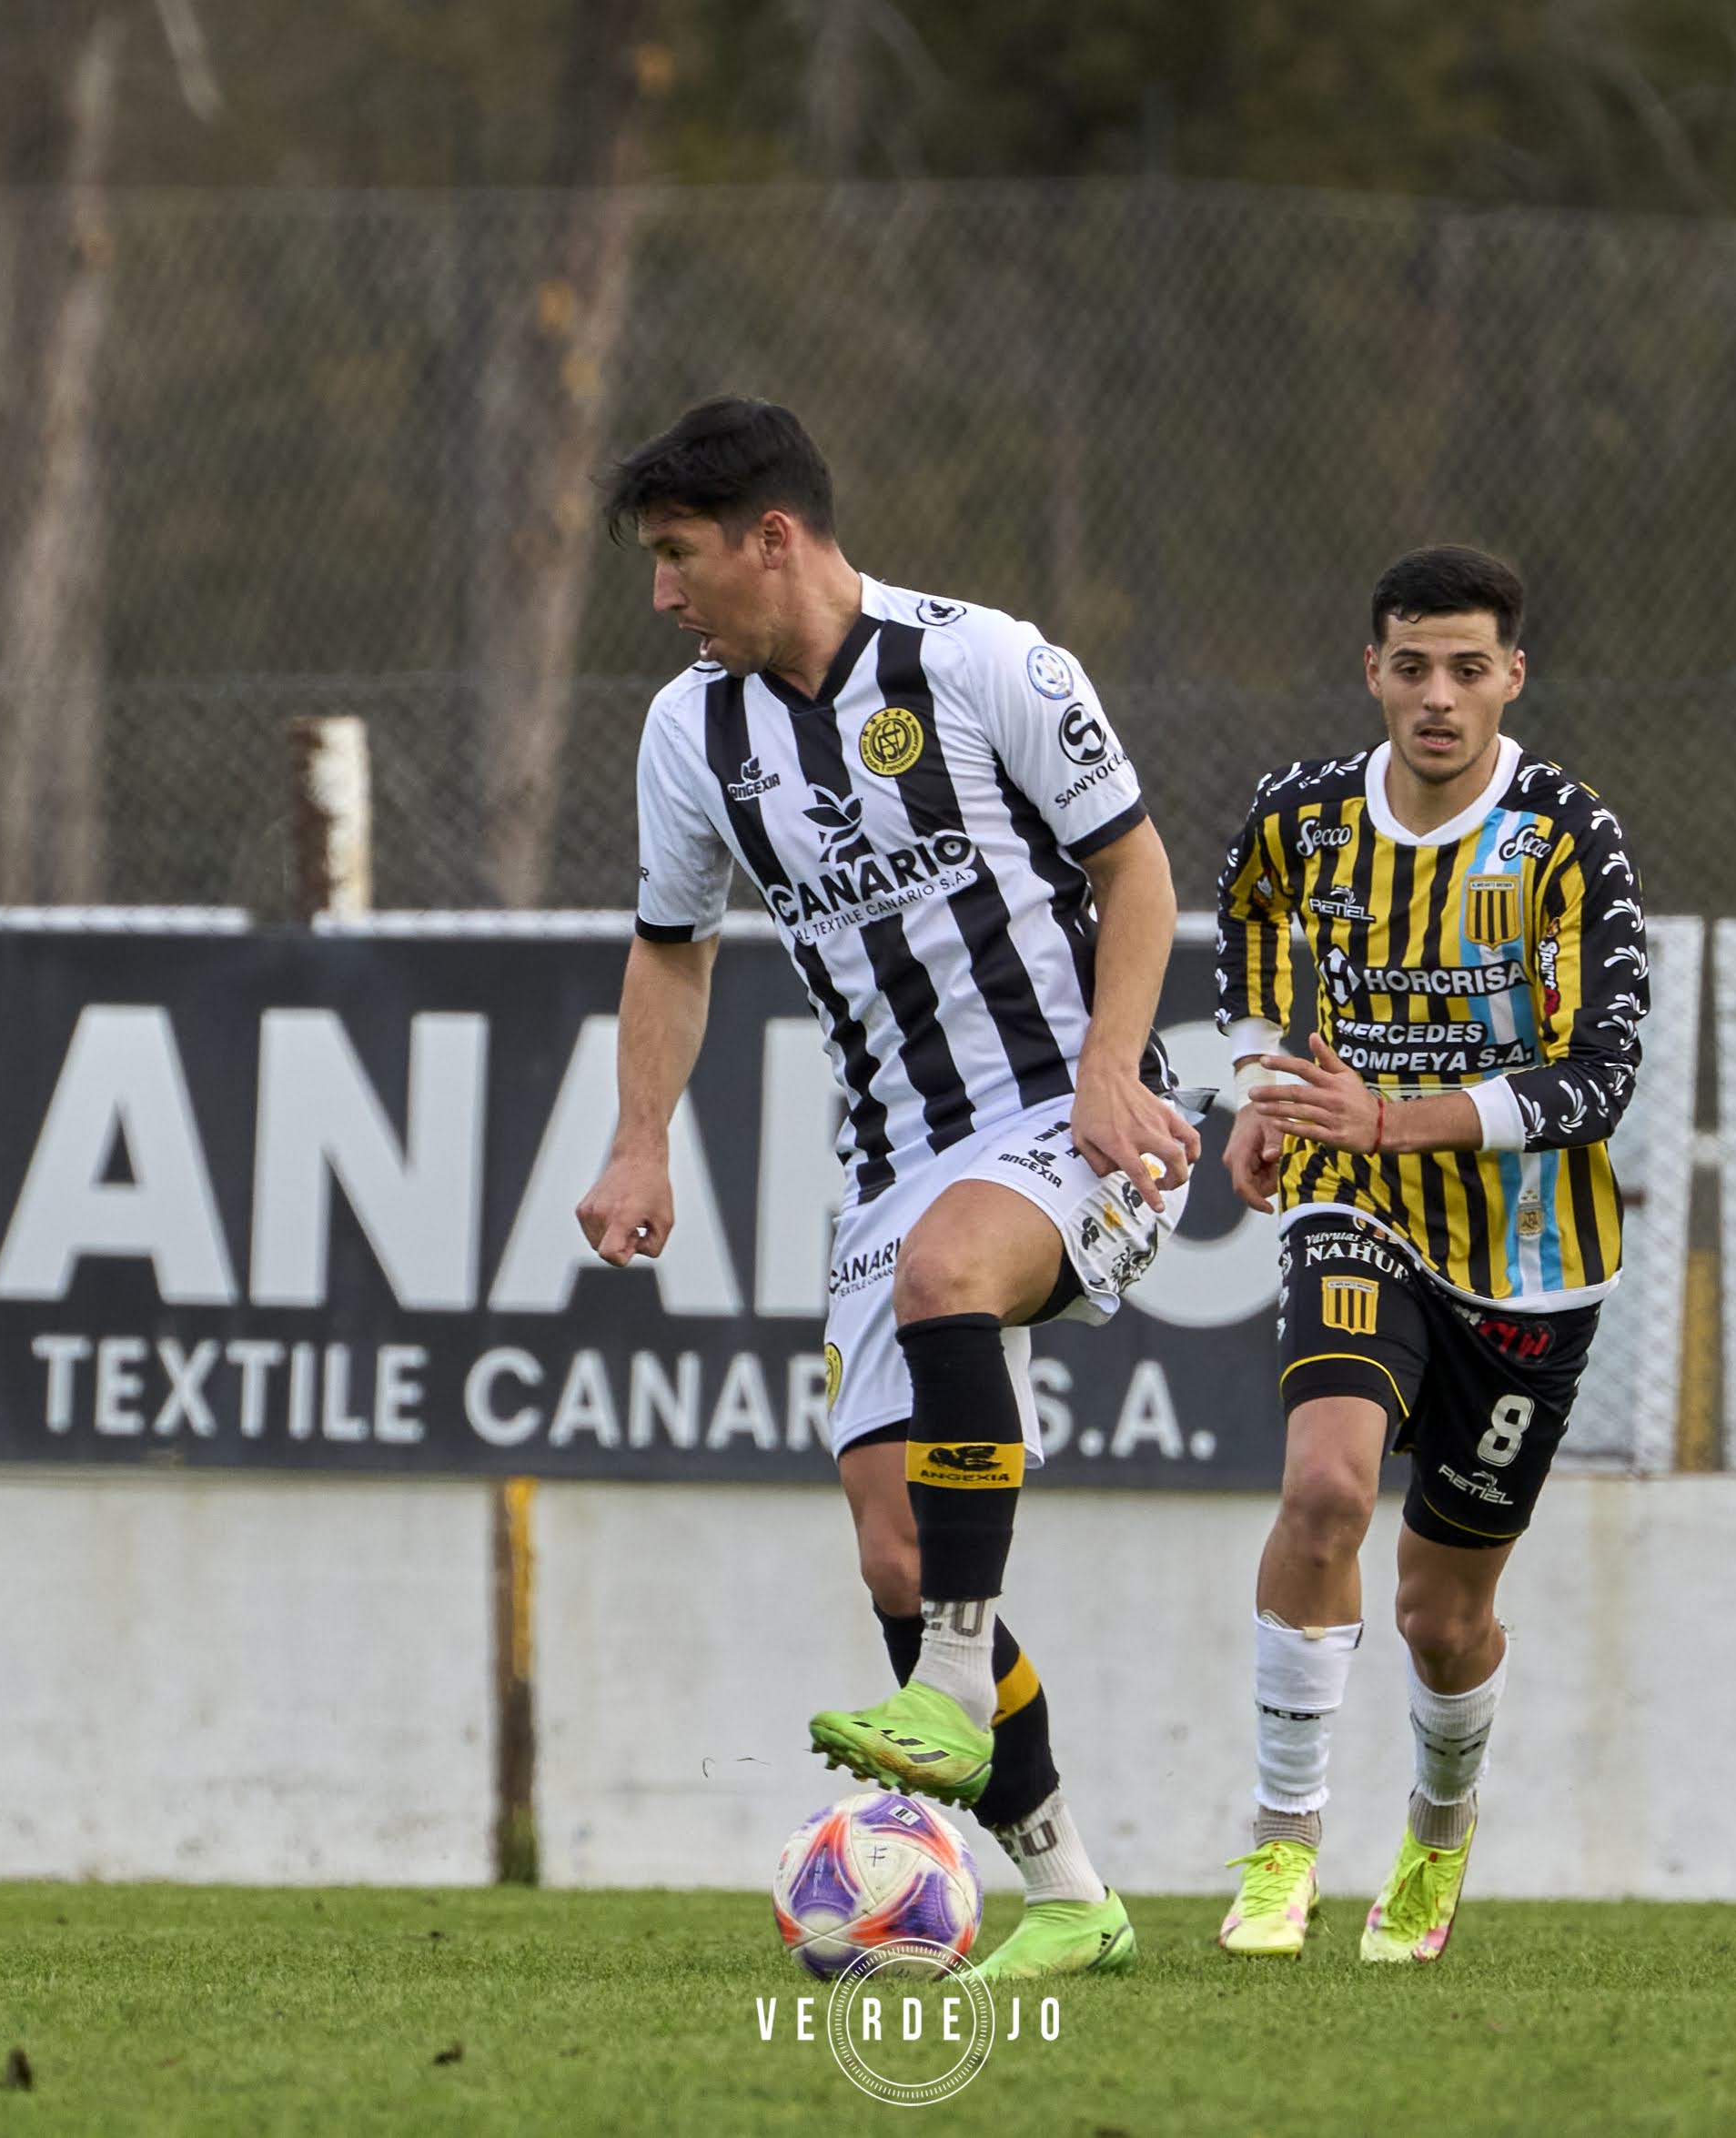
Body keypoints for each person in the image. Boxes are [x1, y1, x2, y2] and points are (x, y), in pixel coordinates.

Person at [573, 397, 1199, 1978]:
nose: (661, 596)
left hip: (1076, 1115)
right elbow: (672, 946)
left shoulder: (988, 662)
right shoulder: (688, 734)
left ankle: (950, 1683)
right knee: (897, 1557)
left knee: (946, 1277)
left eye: (677, 558)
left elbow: (1138, 869)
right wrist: (641, 1137)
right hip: (892, 1153)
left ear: (771, 538)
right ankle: (1073, 1897)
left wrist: (1116, 1065)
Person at [1207, 545, 1649, 1963]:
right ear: (1371, 672)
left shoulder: (1569, 837)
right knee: (1325, 1486)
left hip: (1528, 1265)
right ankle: (1279, 1847)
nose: (1437, 697)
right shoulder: (1297, 818)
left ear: (1512, 675)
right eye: (1411, 666)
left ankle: (1438, 1827)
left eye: (1468, 668)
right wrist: (1270, 1097)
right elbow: (1255, 958)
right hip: (1359, 1205)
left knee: (1441, 1615)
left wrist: (1395, 1115)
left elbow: (1600, 1077)